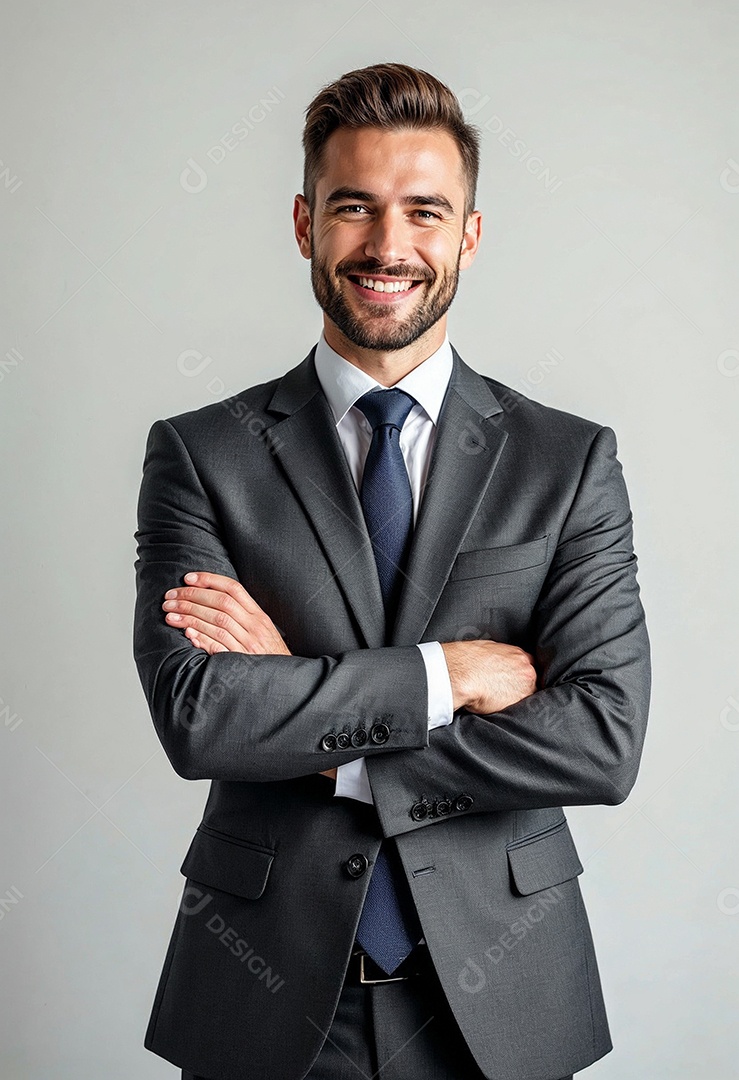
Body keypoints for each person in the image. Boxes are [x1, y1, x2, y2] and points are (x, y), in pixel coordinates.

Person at [133, 62, 651, 1080]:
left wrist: (328, 739)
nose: (386, 246)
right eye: (353, 208)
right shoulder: (204, 452)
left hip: (502, 1001)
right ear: (302, 223)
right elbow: (201, 717)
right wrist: (445, 678)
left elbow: (601, 739)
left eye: (423, 211)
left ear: (468, 232)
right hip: (266, 995)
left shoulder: (565, 459)